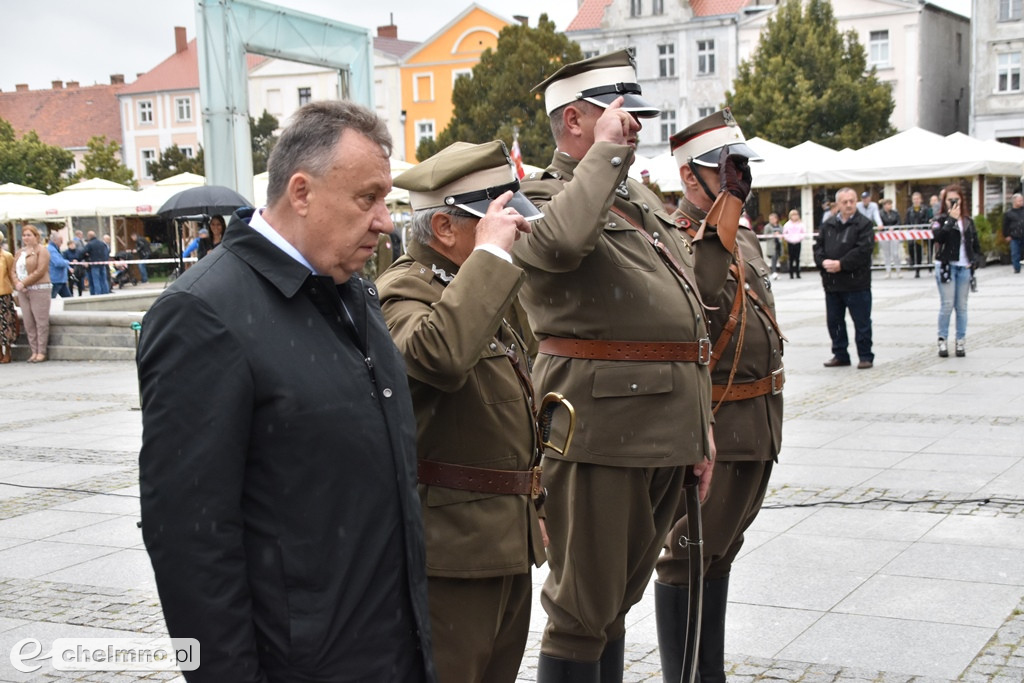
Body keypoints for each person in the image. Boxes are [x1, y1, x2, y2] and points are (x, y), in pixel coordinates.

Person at [137, 100, 436, 683]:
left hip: (390, 649)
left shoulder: (350, 291)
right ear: (301, 192)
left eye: (386, 200)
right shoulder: (205, 313)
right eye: (367, 198)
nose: (385, 221)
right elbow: (192, 540)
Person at [512, 49, 716, 681]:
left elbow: (687, 318)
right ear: (574, 119)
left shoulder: (633, 196)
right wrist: (602, 157)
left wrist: (698, 427)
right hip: (597, 428)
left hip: (661, 424)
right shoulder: (538, 196)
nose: (632, 127)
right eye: (617, 115)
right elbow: (562, 244)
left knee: (616, 603)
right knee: (581, 609)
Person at [377, 140, 545, 683]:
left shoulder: (476, 283)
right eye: (495, 218)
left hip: (505, 539)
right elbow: (440, 357)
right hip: (452, 551)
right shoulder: (401, 291)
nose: (512, 229)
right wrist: (491, 257)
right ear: (446, 229)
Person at [655, 109, 783, 683]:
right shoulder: (677, 239)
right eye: (726, 171)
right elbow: (698, 301)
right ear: (690, 178)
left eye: (742, 170)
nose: (739, 182)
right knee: (686, 560)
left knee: (720, 555)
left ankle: (709, 673)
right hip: (714, 428)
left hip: (755, 422)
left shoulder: (742, 233)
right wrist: (724, 215)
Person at [814, 188, 876, 369]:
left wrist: (841, 264)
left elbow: (863, 250)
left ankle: (865, 356)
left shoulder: (864, 224)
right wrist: (823, 262)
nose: (849, 205)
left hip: (857, 283)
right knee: (835, 322)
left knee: (862, 322)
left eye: (852, 201)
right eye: (845, 202)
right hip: (833, 284)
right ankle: (840, 354)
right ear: (838, 204)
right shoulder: (828, 224)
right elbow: (818, 248)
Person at [932, 184, 980, 358]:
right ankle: (942, 340)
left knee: (962, 307)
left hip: (964, 267)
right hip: (946, 266)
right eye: (950, 199)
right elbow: (938, 238)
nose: (953, 202)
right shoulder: (940, 219)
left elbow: (975, 244)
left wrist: (976, 260)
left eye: (956, 199)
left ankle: (960, 341)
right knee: (947, 305)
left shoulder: (967, 220)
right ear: (944, 201)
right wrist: (951, 220)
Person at [13, 225, 52, 363]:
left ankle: (41, 351)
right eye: (24, 235)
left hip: (39, 288)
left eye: (29, 235)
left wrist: (24, 283)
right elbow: (13, 270)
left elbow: (40, 270)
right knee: (28, 322)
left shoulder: (43, 251)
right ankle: (33, 350)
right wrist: (17, 282)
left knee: (40, 321)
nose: (26, 238)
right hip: (22, 290)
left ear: (36, 236)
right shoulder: (19, 253)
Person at [905, 191, 931, 278]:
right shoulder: (909, 210)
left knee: (919, 251)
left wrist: (920, 228)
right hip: (912, 234)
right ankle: (913, 262)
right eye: (914, 199)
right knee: (911, 248)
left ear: (921, 200)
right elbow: (907, 222)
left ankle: (918, 270)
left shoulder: (925, 209)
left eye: (917, 199)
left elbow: (927, 220)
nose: (916, 201)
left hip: (921, 234)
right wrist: (910, 229)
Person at [0, 236, 16, 363]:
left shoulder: (6, 256)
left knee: (6, 323)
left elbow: (11, 273)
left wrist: (15, 289)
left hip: (4, 294)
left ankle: (8, 350)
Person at [879, 198, 902, 278]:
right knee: (886, 253)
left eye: (890, 204)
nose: (889, 206)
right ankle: (888, 271)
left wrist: (894, 227)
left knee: (895, 253)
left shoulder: (895, 213)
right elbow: (880, 223)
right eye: (887, 204)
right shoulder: (881, 214)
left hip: (894, 234)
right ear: (884, 205)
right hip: (885, 234)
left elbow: (899, 222)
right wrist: (885, 228)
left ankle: (898, 270)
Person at [82, 230, 110, 295]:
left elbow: (82, 252)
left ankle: (98, 294)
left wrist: (83, 257)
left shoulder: (90, 244)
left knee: (96, 280)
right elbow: (106, 253)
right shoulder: (102, 243)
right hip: (102, 264)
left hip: (94, 265)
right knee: (103, 280)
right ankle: (106, 293)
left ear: (89, 236)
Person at [1002, 193, 1024, 274]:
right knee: (1015, 254)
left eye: (1022, 200)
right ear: (1014, 202)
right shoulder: (1008, 214)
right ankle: (1017, 268)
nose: (1022, 202)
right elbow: (1005, 225)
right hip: (1014, 236)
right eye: (1020, 200)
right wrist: (1006, 235)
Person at [782, 209, 806, 278]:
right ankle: (791, 273)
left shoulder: (801, 224)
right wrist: (789, 239)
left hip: (798, 242)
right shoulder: (787, 224)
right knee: (791, 258)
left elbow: (803, 232)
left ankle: (798, 273)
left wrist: (799, 238)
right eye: (793, 215)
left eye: (796, 215)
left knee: (797, 258)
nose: (795, 217)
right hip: (790, 243)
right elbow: (784, 233)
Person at [48, 232, 72, 298]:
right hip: (55, 279)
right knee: (50, 299)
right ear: (55, 240)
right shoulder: (51, 250)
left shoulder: (56, 249)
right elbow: (58, 262)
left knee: (68, 299)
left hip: (60, 279)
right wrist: (67, 262)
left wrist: (68, 267)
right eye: (61, 241)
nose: (62, 243)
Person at [763, 212, 783, 278]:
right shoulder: (767, 227)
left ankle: (777, 271)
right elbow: (765, 235)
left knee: (778, 258)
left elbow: (783, 233)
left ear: (776, 219)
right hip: (772, 245)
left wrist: (780, 235)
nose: (771, 220)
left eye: (772, 219)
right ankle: (773, 271)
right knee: (773, 259)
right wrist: (773, 234)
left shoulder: (779, 226)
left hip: (778, 244)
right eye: (770, 219)